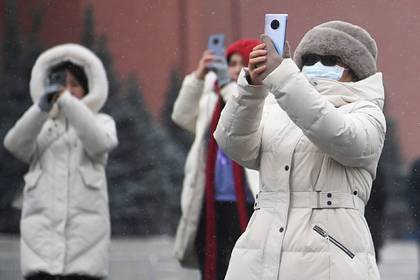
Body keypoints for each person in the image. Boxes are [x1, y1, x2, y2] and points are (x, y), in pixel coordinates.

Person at [214, 21, 385, 280]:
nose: (318, 66)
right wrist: (252, 86)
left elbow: (337, 135)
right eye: (311, 58)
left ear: (356, 70)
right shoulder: (277, 103)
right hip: (259, 251)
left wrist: (284, 77)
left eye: (330, 60)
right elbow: (234, 144)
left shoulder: (366, 112)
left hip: (329, 256)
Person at [4, 44, 118, 280]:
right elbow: (14, 144)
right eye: (62, 84)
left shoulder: (102, 121)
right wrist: (41, 108)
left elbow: (100, 144)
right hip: (41, 242)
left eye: (75, 85)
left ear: (88, 89)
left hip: (85, 245)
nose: (68, 90)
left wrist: (67, 102)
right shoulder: (41, 124)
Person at [172, 39, 260, 279]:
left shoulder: (261, 98)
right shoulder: (211, 97)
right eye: (231, 63)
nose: (234, 69)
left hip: (248, 203)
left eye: (243, 63)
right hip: (210, 202)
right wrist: (198, 77)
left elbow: (241, 107)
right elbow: (181, 116)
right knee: (212, 266)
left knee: (245, 270)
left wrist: (225, 85)